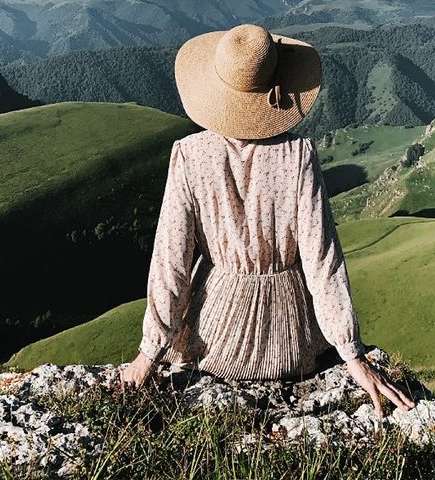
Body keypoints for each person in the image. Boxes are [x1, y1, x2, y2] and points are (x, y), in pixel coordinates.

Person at [116, 23, 414, 418]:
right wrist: (351, 354)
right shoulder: (299, 155)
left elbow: (172, 262)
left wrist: (148, 353)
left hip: (215, 339)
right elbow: (322, 259)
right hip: (292, 339)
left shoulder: (189, 155)